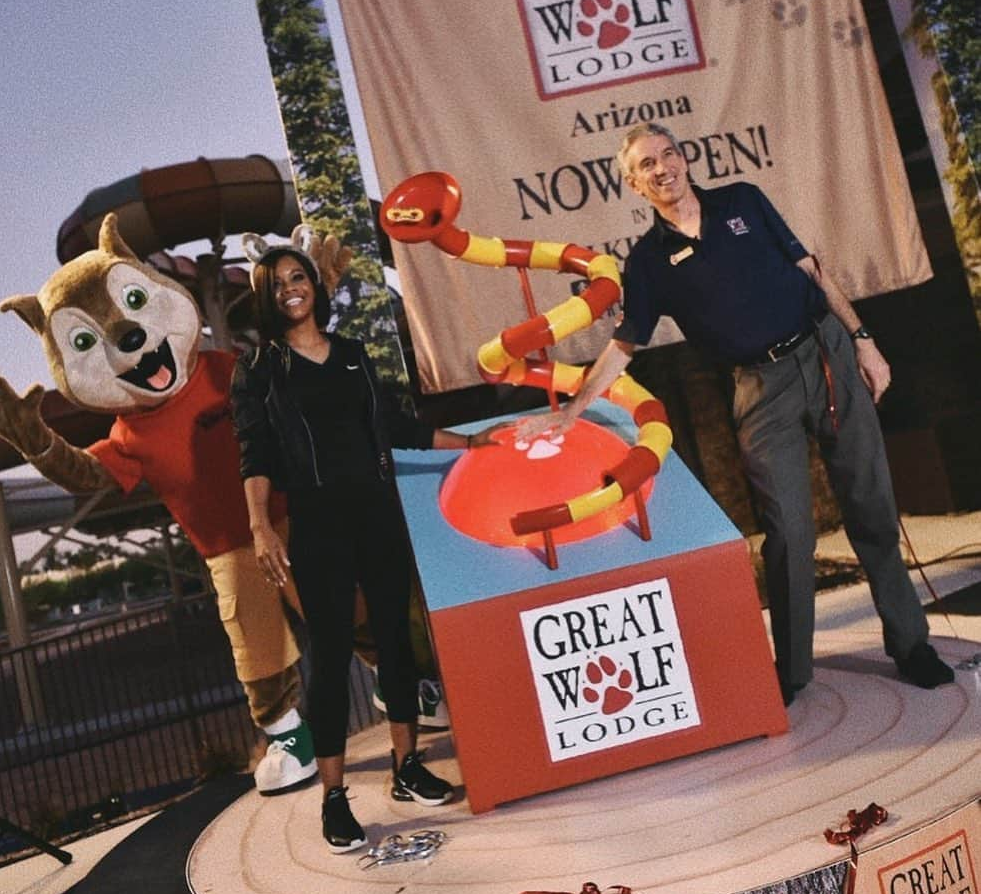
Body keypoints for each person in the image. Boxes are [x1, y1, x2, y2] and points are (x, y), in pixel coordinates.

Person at [517, 122, 954, 705]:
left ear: (685, 159)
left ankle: (911, 645)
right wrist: (570, 413)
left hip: (826, 355)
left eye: (669, 154)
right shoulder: (648, 262)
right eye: (647, 164)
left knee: (871, 507)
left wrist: (864, 340)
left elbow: (811, 271)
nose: (663, 167)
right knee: (788, 532)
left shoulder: (743, 201)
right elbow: (623, 347)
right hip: (759, 386)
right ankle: (794, 673)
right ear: (633, 183)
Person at [231, 233, 493, 853]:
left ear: (314, 286)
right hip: (318, 522)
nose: (291, 288)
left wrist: (471, 445)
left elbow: (394, 425)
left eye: (298, 277)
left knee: (398, 643)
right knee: (328, 657)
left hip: (377, 512)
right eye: (278, 284)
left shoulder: (351, 353)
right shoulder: (261, 368)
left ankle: (406, 769)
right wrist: (260, 524)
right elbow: (255, 451)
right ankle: (333, 797)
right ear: (266, 300)